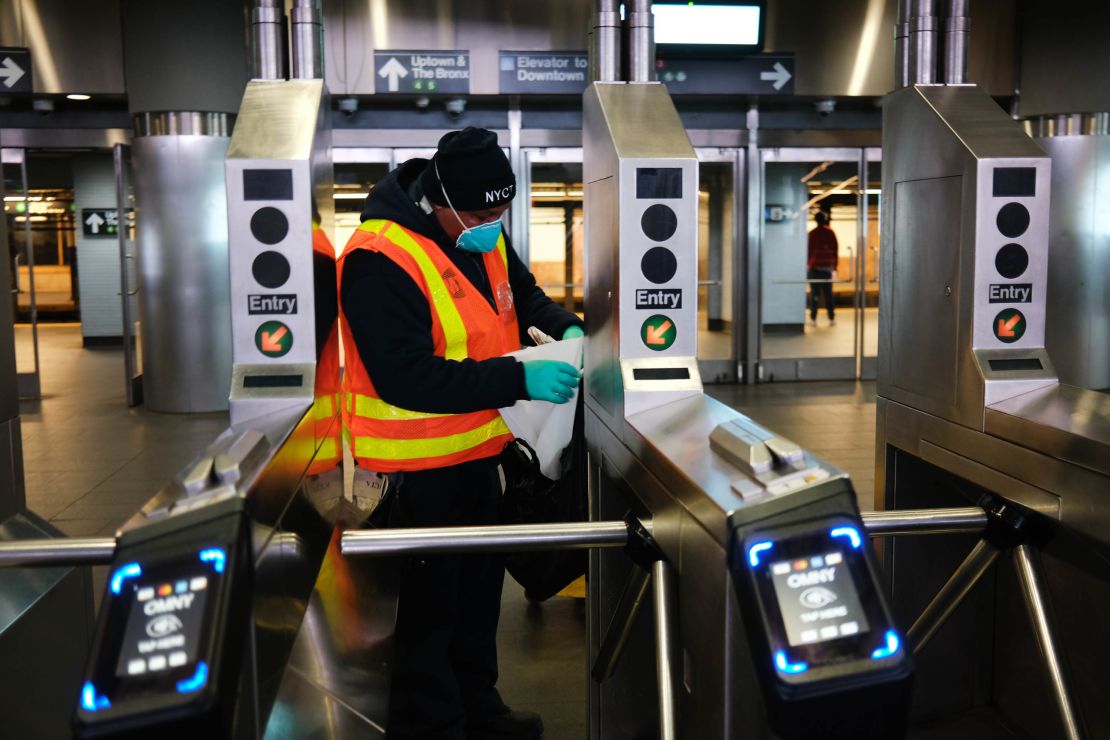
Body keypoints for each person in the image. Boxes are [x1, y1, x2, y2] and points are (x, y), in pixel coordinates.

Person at [337, 127, 584, 740]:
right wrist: (516, 381)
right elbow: (404, 375)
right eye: (480, 213)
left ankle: (481, 709)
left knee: (477, 601)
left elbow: (522, 298)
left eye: (502, 210)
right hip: (412, 474)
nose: (493, 224)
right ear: (436, 199)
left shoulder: (482, 233)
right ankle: (437, 727)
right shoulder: (377, 258)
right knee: (427, 615)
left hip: (482, 454)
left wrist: (566, 326)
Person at [807, 210, 839, 326]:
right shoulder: (830, 233)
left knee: (815, 294)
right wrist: (835, 266)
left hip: (814, 268)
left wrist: (808, 265)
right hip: (827, 268)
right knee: (828, 294)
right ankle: (831, 318)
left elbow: (808, 251)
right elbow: (835, 250)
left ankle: (813, 318)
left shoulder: (812, 234)